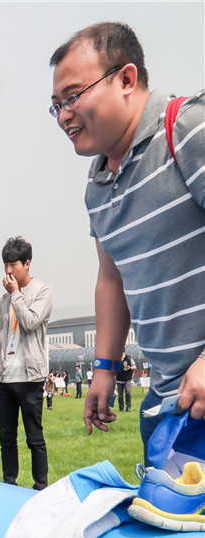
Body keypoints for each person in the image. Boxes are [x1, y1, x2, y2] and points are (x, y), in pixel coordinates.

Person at [50, 22, 204, 461]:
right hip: (167, 404)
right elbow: (111, 278)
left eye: (74, 96)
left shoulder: (187, 129)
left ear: (126, 79)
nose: (63, 115)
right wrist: (104, 366)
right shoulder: (96, 187)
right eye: (56, 105)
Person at [0, 236, 53, 491]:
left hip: (30, 377)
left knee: (34, 437)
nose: (7, 271)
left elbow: (30, 322)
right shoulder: (3, 301)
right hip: (5, 379)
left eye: (13, 264)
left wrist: (15, 295)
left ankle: (40, 487)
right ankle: (8, 485)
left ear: (27, 263)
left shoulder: (42, 292)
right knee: (7, 438)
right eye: (5, 264)